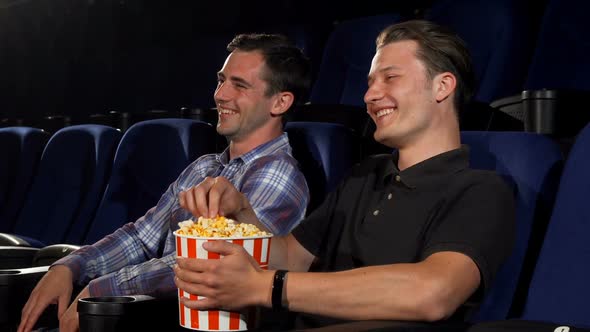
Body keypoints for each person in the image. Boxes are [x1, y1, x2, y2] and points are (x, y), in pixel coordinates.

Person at [173, 19, 515, 329]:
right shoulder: (364, 175)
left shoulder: (481, 190)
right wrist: (242, 212)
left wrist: (267, 286)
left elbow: (433, 291)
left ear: (442, 87)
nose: (369, 95)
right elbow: (292, 256)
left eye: (390, 78)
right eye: (369, 83)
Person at [18, 33, 312, 332]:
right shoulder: (204, 167)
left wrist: (103, 289)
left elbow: (206, 266)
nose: (220, 94)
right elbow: (141, 237)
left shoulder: (277, 173)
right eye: (221, 80)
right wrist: (72, 265)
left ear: (280, 102)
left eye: (239, 85)